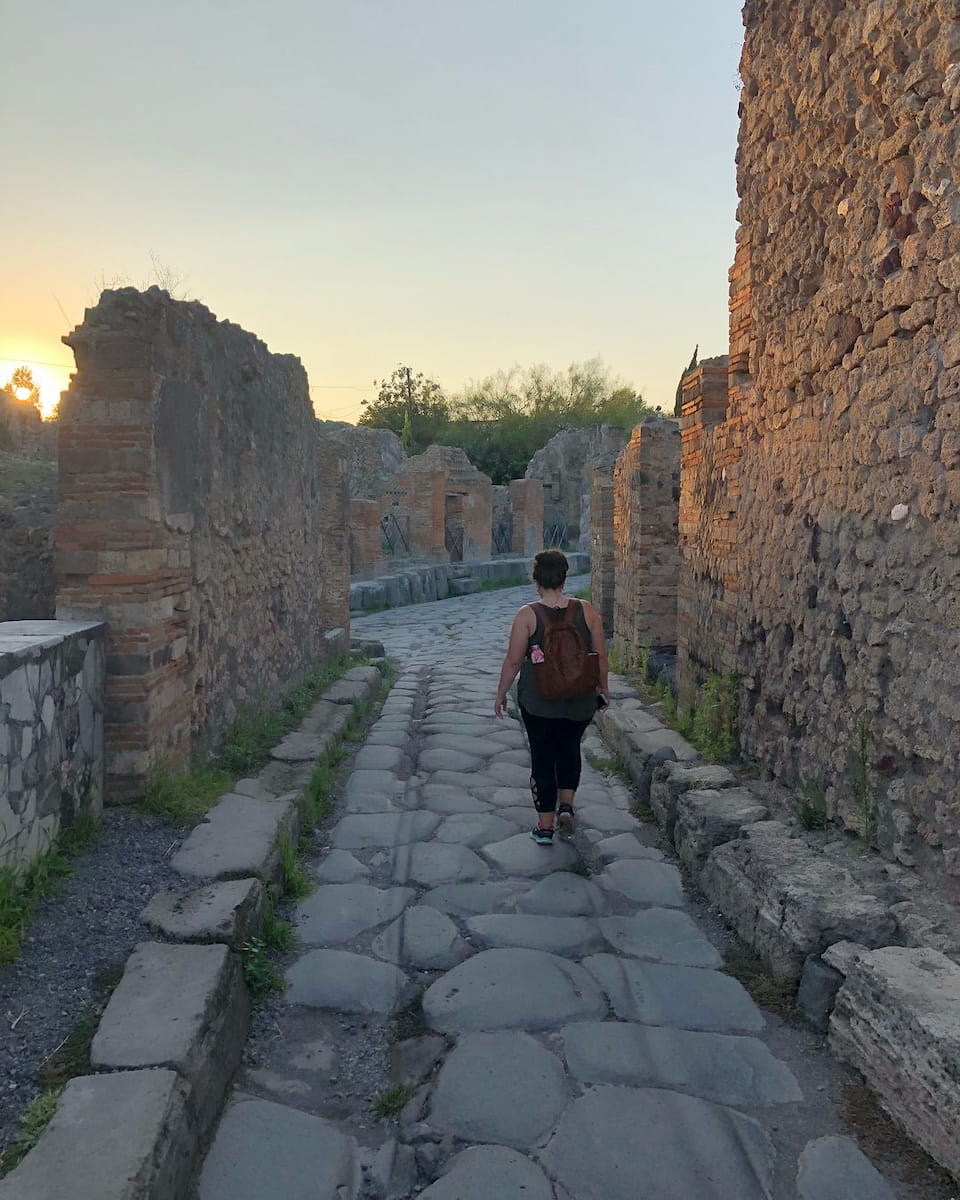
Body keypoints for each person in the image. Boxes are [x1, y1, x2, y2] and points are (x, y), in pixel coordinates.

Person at [494, 549, 610, 844]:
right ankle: (567, 805)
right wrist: (603, 688)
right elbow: (600, 656)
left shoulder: (527, 615)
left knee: (543, 758)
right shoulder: (587, 611)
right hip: (580, 699)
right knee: (570, 749)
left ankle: (545, 827)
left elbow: (513, 660)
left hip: (538, 701)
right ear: (563, 578)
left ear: (536, 580)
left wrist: (501, 692)